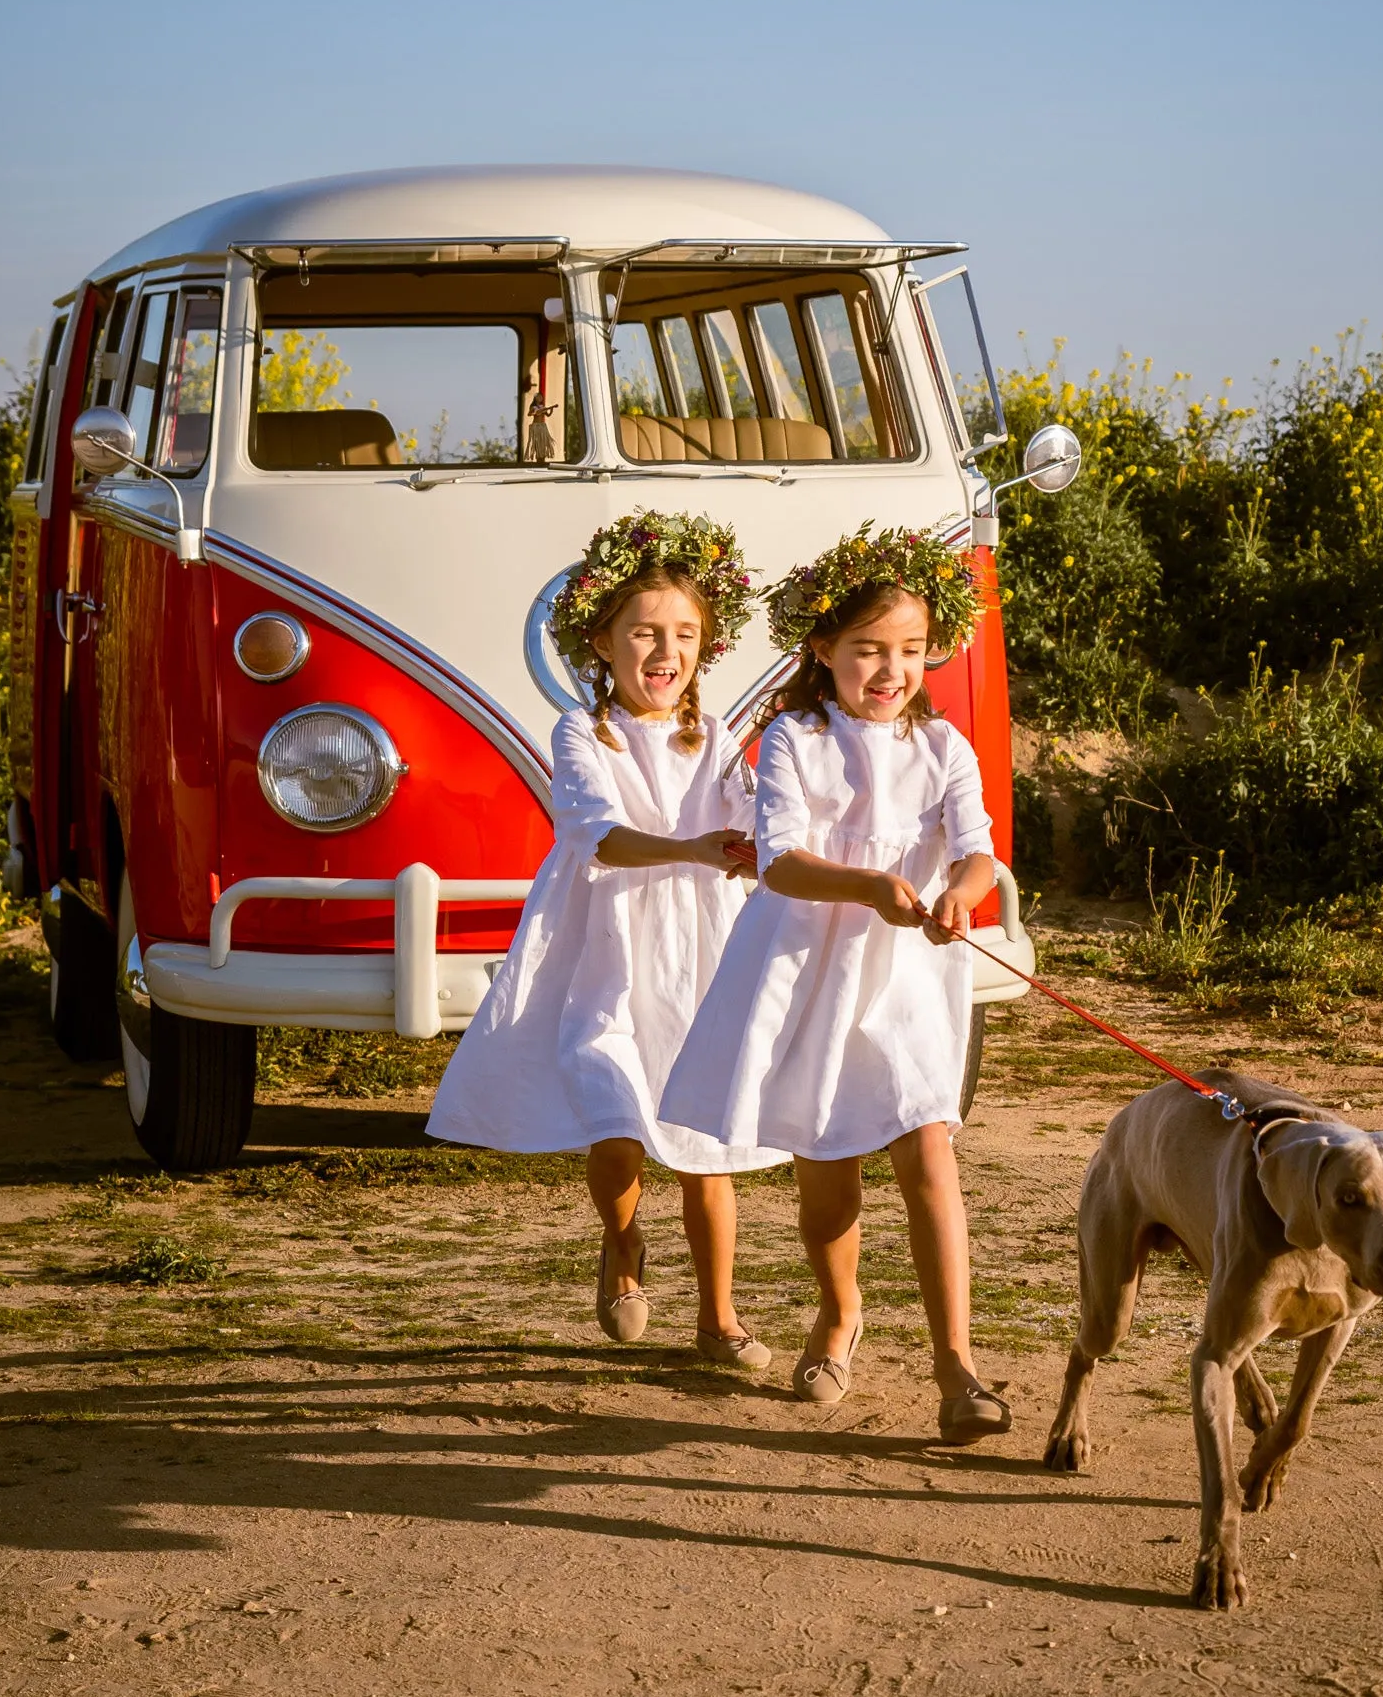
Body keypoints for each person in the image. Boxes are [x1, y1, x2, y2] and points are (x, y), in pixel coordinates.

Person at [662, 524, 1011, 1443]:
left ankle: (957, 1367)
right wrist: (867, 886)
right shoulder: (793, 739)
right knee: (828, 1168)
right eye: (867, 651)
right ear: (823, 650)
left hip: (911, 974)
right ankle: (840, 1311)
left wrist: (959, 897)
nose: (890, 671)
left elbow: (977, 851)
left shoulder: (944, 748)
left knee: (929, 1153)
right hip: (811, 966)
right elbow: (779, 859)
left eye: (908, 651)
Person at [427, 510, 785, 1364]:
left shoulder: (718, 738)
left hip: (698, 950)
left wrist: (754, 851)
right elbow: (602, 837)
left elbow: (752, 825)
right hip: (607, 948)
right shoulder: (582, 733)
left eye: (686, 635)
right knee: (615, 1120)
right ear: (602, 640)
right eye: (645, 632)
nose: (666, 652)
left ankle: (719, 1318)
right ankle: (623, 1246)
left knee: (707, 1147)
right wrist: (693, 848)